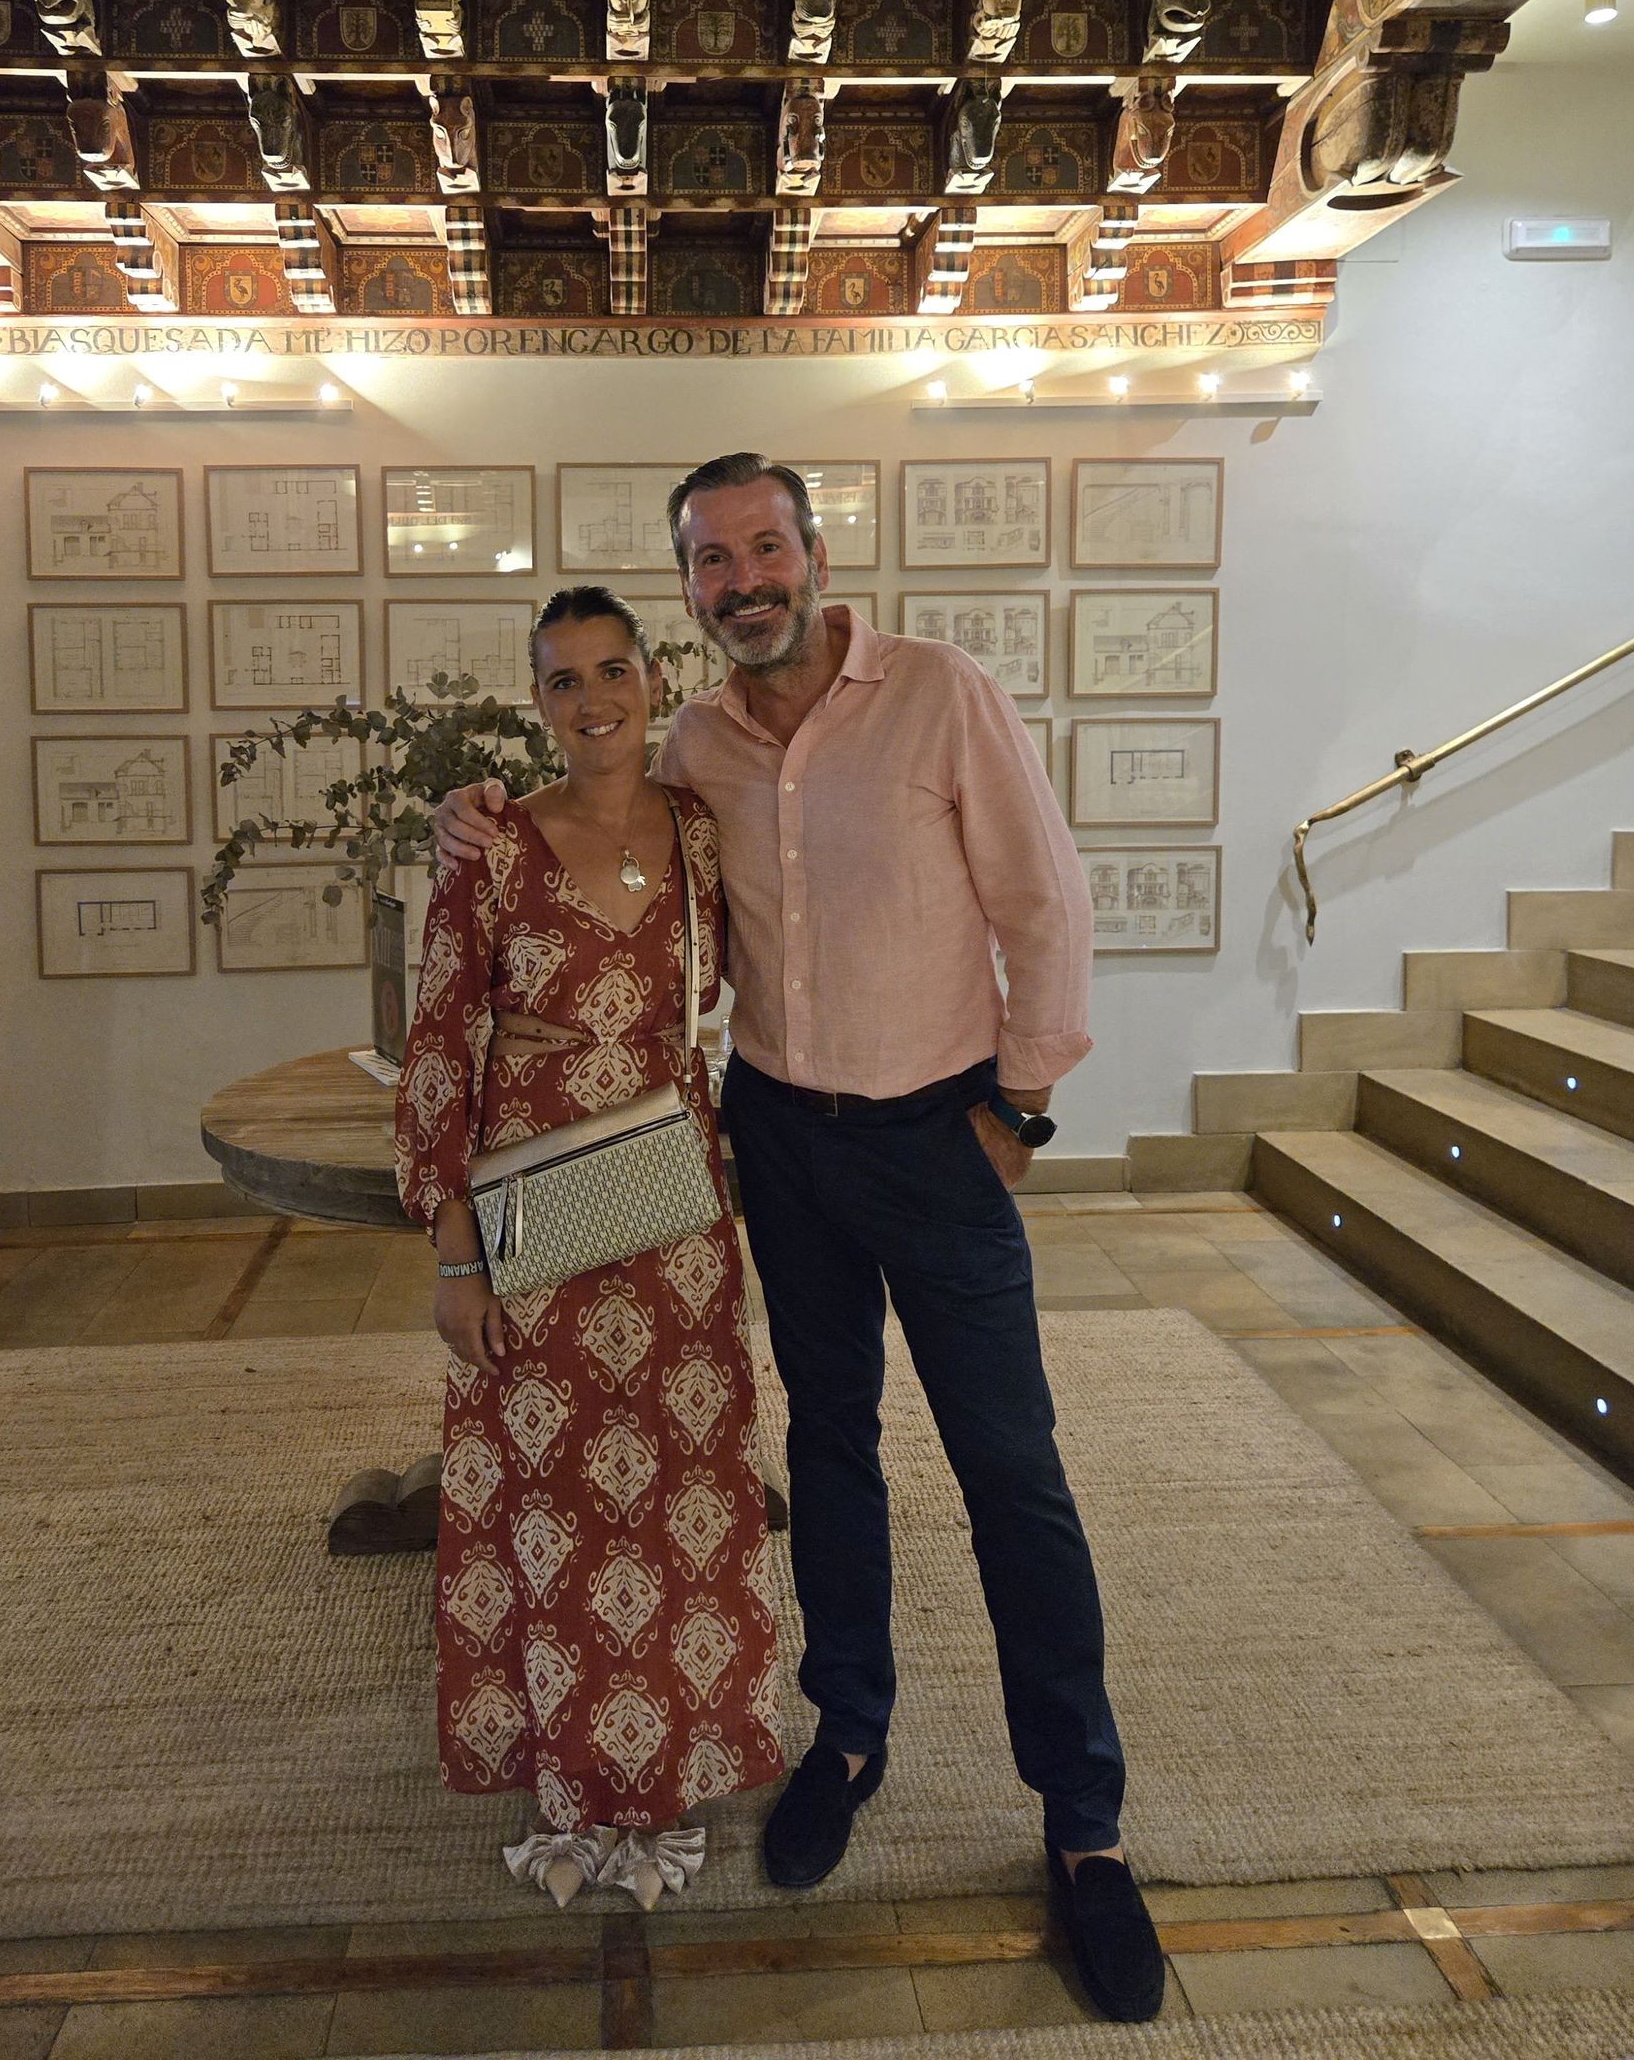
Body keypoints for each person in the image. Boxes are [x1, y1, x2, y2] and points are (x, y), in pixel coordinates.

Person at [434, 455, 1165, 2023]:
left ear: (817, 554)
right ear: (689, 590)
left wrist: (1020, 1108)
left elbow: (1047, 903)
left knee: (1010, 1473)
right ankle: (845, 1738)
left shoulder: (940, 693)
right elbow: (591, 823)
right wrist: (469, 812)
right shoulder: (690, 742)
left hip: (940, 1137)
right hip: (778, 1138)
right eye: (712, 562)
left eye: (767, 547)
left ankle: (1086, 1830)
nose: (744, 580)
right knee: (827, 1449)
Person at [394, 583, 785, 1914]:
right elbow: (442, 1041)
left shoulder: (700, 832)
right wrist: (454, 1255)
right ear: (538, 702)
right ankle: (571, 1776)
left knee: (673, 1487)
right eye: (562, 681)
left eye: (611, 669)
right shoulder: (494, 846)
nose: (592, 699)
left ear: (653, 675)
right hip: (536, 1199)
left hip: (675, 1196)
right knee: (552, 1494)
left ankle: (664, 1765)